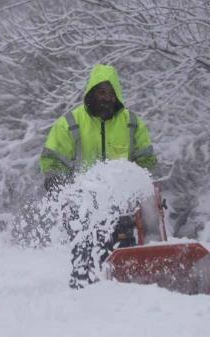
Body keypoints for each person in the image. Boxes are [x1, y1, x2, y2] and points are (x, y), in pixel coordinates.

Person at [39, 64, 158, 288]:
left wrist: (142, 181)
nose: (107, 98)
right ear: (92, 92)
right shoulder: (71, 123)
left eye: (111, 93)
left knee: (124, 260)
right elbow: (53, 159)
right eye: (102, 92)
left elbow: (146, 160)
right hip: (83, 210)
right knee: (85, 261)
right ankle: (85, 300)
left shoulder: (131, 123)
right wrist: (57, 181)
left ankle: (125, 298)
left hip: (121, 208)